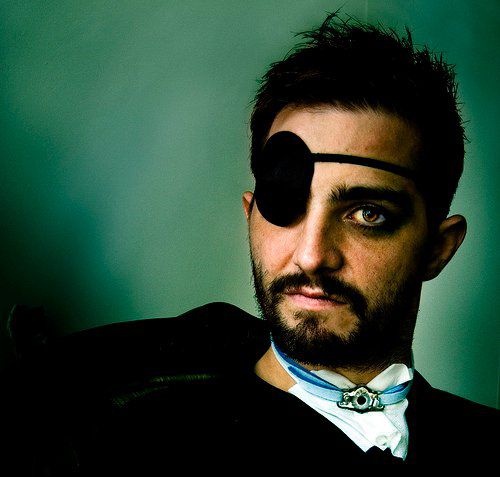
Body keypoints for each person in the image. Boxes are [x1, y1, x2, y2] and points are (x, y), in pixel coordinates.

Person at [2, 11, 498, 474]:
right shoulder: (126, 448)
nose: (311, 255)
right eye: (284, 204)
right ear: (250, 214)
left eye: (368, 214)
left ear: (439, 248)